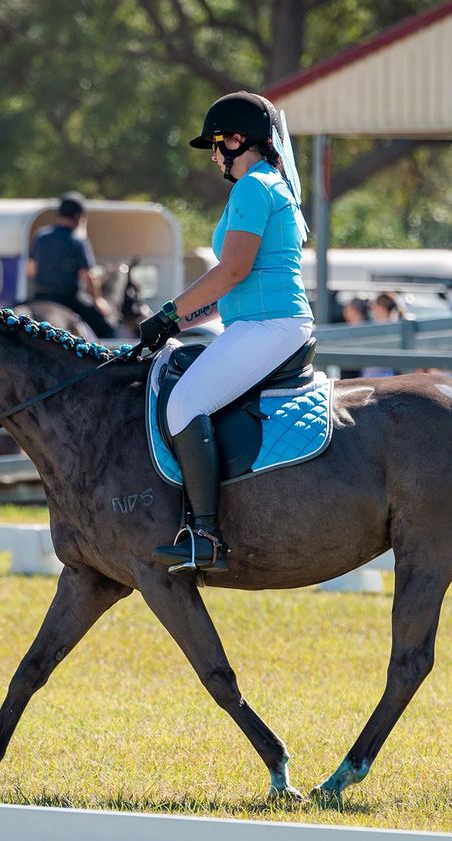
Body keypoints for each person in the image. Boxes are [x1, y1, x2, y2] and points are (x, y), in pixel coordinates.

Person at [135, 91, 312, 574]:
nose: (214, 156)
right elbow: (235, 286)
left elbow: (231, 271)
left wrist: (170, 311)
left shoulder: (254, 187)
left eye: (216, 145)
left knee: (185, 404)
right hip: (259, 322)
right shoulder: (268, 184)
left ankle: (205, 535)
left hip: (269, 327)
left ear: (237, 140)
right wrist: (172, 323)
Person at [27, 192, 116, 339]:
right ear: (78, 217)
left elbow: (30, 270)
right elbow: (87, 277)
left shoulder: (41, 236)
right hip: (68, 300)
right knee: (106, 328)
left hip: (39, 297)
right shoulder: (78, 241)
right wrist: (98, 301)